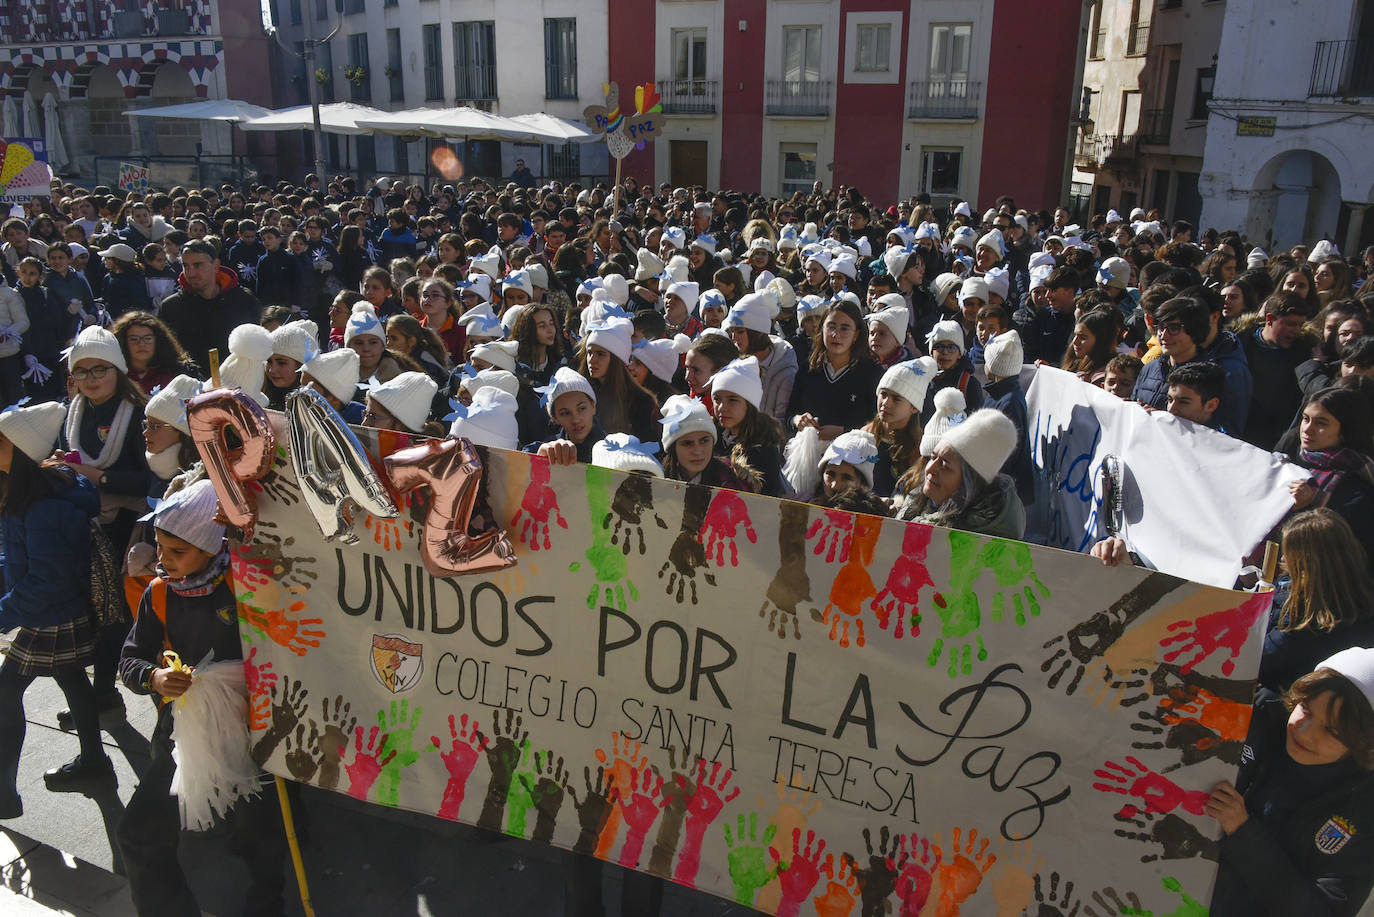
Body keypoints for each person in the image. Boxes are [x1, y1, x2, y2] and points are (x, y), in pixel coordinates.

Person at [116, 480, 288, 917]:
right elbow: (131, 659)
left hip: (253, 726)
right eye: (160, 547)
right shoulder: (158, 593)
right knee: (139, 833)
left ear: (212, 548)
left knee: (259, 829)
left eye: (178, 552)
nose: (164, 560)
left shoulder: (245, 584)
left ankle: (266, 901)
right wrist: (155, 677)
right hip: (184, 730)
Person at [0, 401, 112, 814]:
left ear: (21, 450)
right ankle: (94, 761)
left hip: (48, 615)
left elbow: (46, 580)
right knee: (72, 678)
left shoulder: (42, 505)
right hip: (57, 609)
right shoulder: (36, 489)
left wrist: (4, 613)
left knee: (6, 692)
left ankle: (4, 795)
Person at [1205, 648, 1374, 916]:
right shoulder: (1259, 713)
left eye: (1331, 731)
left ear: (1364, 748)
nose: (1304, 731)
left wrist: (1244, 833)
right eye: (1305, 708)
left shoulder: (1363, 813)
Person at [59, 326, 153, 726]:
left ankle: (104, 694)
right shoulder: (73, 412)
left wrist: (99, 477)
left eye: (101, 369)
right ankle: (98, 694)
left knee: (114, 612)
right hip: (87, 520)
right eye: (82, 371)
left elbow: (149, 479)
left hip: (126, 524)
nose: (92, 378)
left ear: (117, 369)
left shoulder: (137, 413)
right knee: (94, 610)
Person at [1260, 509, 1374, 693]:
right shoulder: (1361, 594)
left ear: (1307, 562)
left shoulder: (1306, 616)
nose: (1282, 558)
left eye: (1288, 554)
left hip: (1290, 698)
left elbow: (1261, 659)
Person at [896, 407, 1025, 538]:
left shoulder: (979, 539)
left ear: (970, 482)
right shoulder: (920, 500)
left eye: (945, 465)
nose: (931, 468)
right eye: (933, 457)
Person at [1288, 386, 1374, 571]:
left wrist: (1308, 509)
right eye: (1305, 419)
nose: (1307, 430)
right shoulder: (1291, 463)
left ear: (1345, 430)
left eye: (1321, 423)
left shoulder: (1359, 491)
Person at [157, 240, 262, 371]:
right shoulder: (171, 308)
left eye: (198, 265)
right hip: (191, 381)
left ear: (216, 265)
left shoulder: (245, 301)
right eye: (186, 266)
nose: (191, 273)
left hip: (238, 378)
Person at [788, 298, 882, 440]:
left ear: (856, 334)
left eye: (844, 328)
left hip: (855, 450)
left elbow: (880, 422)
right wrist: (797, 420)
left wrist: (844, 432)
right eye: (831, 327)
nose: (835, 335)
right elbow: (789, 414)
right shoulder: (808, 369)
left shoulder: (872, 373)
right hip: (808, 449)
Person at [709, 356, 786, 497]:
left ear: (749, 404)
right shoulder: (711, 435)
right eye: (717, 399)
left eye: (732, 400)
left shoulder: (762, 449)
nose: (722, 407)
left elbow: (768, 497)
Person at [578, 316, 660, 443]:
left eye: (600, 354)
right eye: (589, 353)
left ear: (616, 359)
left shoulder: (641, 401)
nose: (592, 360)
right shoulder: (585, 394)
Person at [865, 357, 935, 498]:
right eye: (883, 394)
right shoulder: (864, 435)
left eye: (896, 399)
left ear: (914, 407)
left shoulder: (920, 448)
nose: (886, 403)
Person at [723, 292, 798, 425]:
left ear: (758, 332)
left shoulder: (784, 370)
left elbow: (781, 420)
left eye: (740, 331)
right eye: (732, 332)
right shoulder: (735, 362)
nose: (734, 338)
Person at [658, 394, 754, 491]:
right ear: (672, 448)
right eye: (687, 443)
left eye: (704, 441)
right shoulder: (656, 481)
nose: (697, 451)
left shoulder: (733, 483)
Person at [527, 367, 605, 464]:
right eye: (565, 413)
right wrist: (538, 459)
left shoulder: (615, 449)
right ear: (555, 418)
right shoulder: (546, 449)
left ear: (593, 407)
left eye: (582, 408)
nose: (575, 420)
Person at [112, 312, 197, 395]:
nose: (141, 344)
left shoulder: (180, 372)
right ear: (123, 342)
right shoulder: (113, 374)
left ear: (158, 341)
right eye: (134, 339)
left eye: (148, 339)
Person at [921, 319, 985, 423]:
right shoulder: (922, 379)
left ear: (960, 353)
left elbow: (977, 422)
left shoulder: (969, 384)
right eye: (939, 346)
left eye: (951, 347)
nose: (945, 352)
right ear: (931, 352)